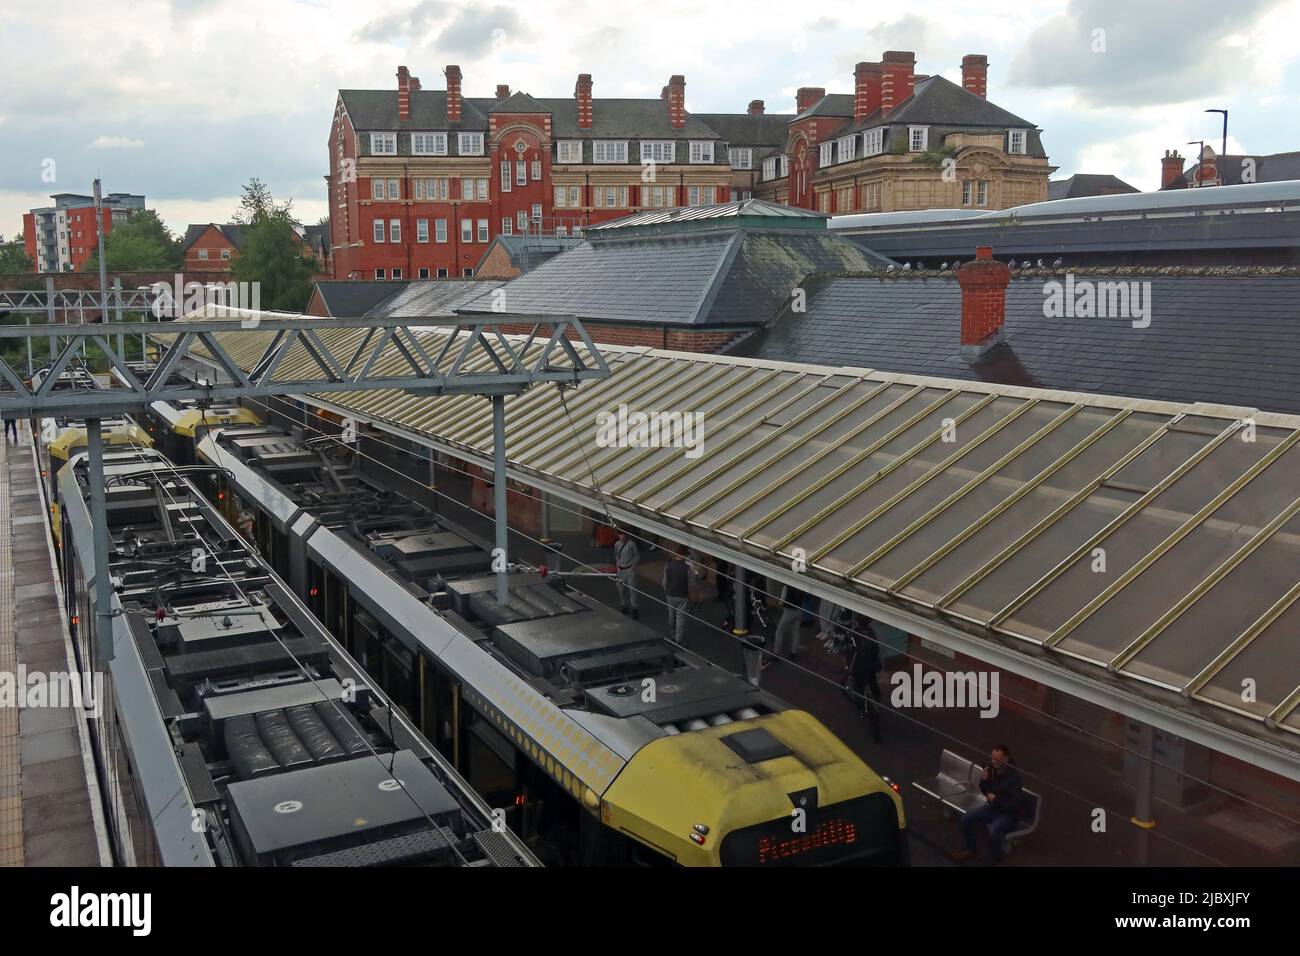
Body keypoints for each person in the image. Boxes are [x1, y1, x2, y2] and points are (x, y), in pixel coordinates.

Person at [954, 744, 1025, 864]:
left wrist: (996, 799)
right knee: (966, 818)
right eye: (992, 758)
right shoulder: (992, 769)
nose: (994, 761)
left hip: (1009, 815)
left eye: (997, 759)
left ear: (1006, 759)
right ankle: (971, 850)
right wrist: (984, 780)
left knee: (994, 830)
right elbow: (986, 791)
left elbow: (1014, 804)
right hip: (993, 809)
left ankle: (996, 858)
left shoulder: (1015, 778)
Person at [846, 615, 883, 743]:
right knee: (873, 684)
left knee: (857, 686)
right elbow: (877, 649)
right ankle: (876, 697)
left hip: (859, 667)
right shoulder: (871, 632)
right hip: (871, 666)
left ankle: (860, 704)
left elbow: (851, 650)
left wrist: (849, 666)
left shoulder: (854, 633)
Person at [770, 582, 805, 663]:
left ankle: (776, 653)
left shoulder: (786, 586)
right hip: (799, 611)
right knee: (796, 633)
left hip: (788, 612)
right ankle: (793, 653)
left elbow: (781, 601)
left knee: (779, 631)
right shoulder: (801, 586)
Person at [662, 551, 691, 644]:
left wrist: (667, 592)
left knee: (671, 614)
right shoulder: (687, 568)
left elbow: (664, 583)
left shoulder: (668, 566)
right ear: (684, 556)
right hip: (682, 596)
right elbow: (692, 585)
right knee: (680, 617)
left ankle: (672, 634)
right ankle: (678, 639)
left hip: (670, 595)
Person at [613, 528, 641, 618]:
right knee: (620, 589)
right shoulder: (616, 544)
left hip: (629, 570)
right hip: (620, 570)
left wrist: (633, 566)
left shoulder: (631, 544)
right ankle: (623, 605)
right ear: (618, 535)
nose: (622, 536)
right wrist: (617, 566)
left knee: (632, 590)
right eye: (620, 534)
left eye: (624, 534)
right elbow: (617, 555)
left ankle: (634, 608)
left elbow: (637, 555)